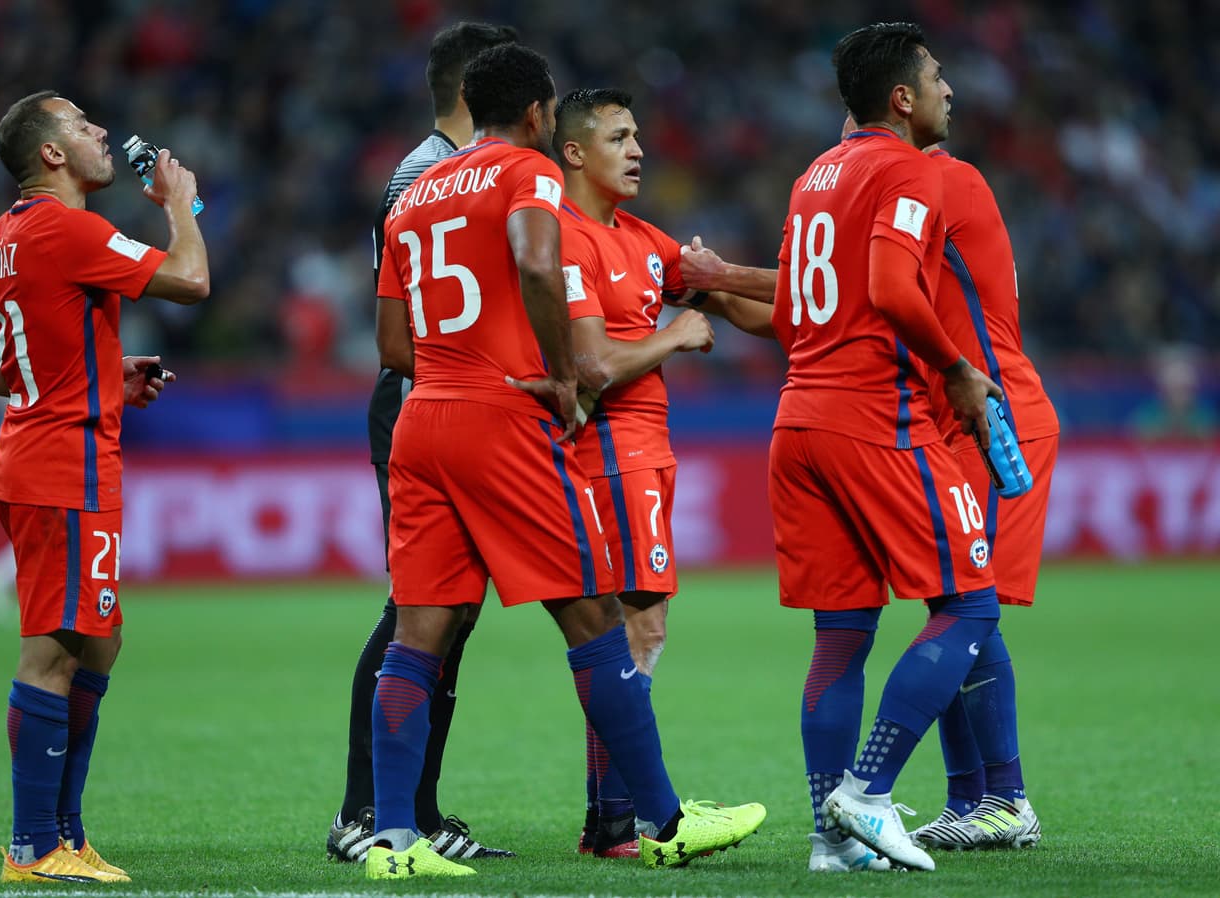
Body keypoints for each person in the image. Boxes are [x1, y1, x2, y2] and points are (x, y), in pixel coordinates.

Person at [368, 43, 766, 880]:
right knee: (597, 622)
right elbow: (538, 260)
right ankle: (661, 821)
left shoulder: (412, 197)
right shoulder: (528, 174)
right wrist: (559, 374)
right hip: (498, 421)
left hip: (421, 419)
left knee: (416, 638)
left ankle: (394, 842)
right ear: (541, 115)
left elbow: (393, 344)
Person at [768, 23, 1007, 872]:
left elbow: (798, 312)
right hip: (877, 419)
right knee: (971, 605)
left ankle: (829, 842)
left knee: (841, 637)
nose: (951, 92)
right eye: (939, 78)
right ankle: (865, 796)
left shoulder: (813, 176)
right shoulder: (906, 168)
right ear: (901, 97)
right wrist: (956, 368)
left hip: (798, 418)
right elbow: (890, 287)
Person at [0, 90, 208, 883]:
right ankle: (34, 847)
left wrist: (103, 372)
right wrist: (180, 205)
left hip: (33, 456)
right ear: (52, 155)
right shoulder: (72, 228)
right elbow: (191, 278)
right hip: (62, 467)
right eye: (81, 125)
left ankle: (64, 834)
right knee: (54, 653)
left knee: (99, 640)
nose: (102, 131)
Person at [551, 87, 773, 858]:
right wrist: (675, 332)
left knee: (625, 631)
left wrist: (742, 276)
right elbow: (596, 367)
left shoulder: (643, 240)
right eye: (619, 137)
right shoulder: (567, 237)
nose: (639, 148)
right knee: (636, 628)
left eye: (639, 134)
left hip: (642, 453)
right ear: (575, 151)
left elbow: (767, 302)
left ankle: (612, 817)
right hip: (610, 452)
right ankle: (632, 816)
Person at [327, 20, 519, 865]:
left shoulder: (432, 172)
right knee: (417, 616)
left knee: (448, 618)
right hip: (426, 408)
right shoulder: (433, 176)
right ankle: (367, 812)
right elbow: (399, 335)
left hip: (438, 406)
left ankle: (414, 808)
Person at [907, 139, 1060, 850]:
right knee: (952, 606)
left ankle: (1008, 797)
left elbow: (862, 283)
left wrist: (718, 279)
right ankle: (969, 801)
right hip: (955, 423)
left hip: (994, 418)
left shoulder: (944, 181)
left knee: (968, 606)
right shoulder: (911, 181)